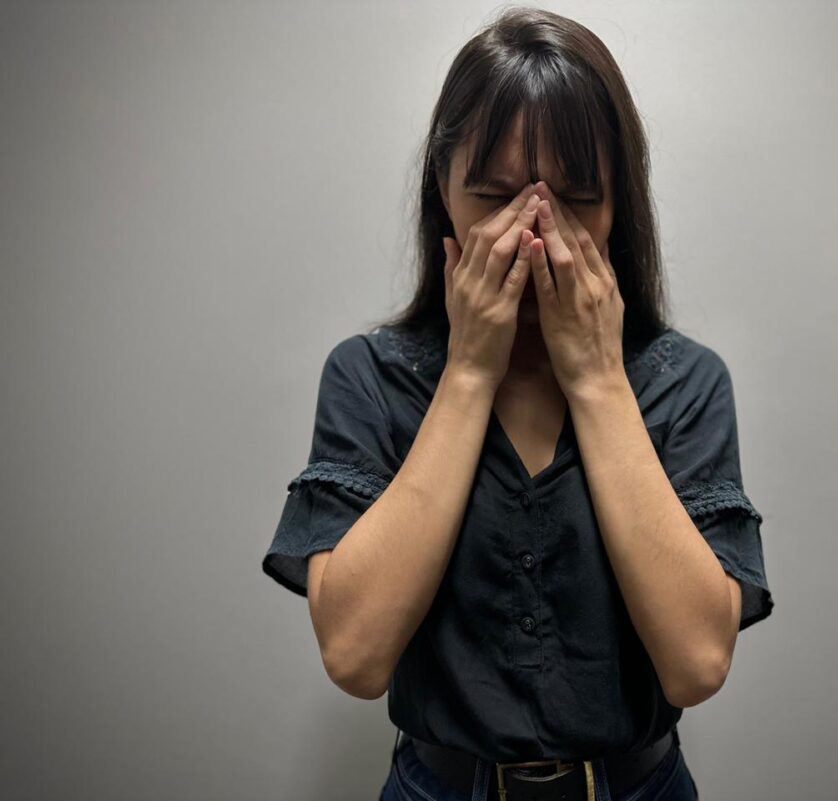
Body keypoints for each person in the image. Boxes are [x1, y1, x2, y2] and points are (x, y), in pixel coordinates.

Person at [261, 7, 773, 800]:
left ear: (620, 205)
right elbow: (355, 656)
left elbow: (698, 662)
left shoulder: (685, 382)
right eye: (495, 196)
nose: (534, 234)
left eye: (576, 200)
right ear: (443, 188)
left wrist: (598, 379)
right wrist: (469, 370)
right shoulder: (372, 377)